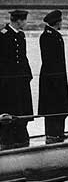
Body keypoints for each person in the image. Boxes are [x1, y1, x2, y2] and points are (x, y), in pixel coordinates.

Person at [0, 9, 33, 150]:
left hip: (21, 80)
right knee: (9, 108)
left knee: (22, 108)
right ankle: (7, 140)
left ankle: (21, 138)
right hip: (8, 82)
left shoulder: (21, 35)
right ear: (18, 20)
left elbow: (23, 57)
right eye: (24, 20)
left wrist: (27, 75)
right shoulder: (3, 35)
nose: (25, 23)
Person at [38, 10, 68, 144]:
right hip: (52, 78)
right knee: (52, 106)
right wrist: (55, 78)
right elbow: (50, 61)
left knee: (59, 106)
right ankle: (52, 134)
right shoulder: (48, 36)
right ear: (57, 22)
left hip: (58, 76)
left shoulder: (54, 35)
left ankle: (59, 132)